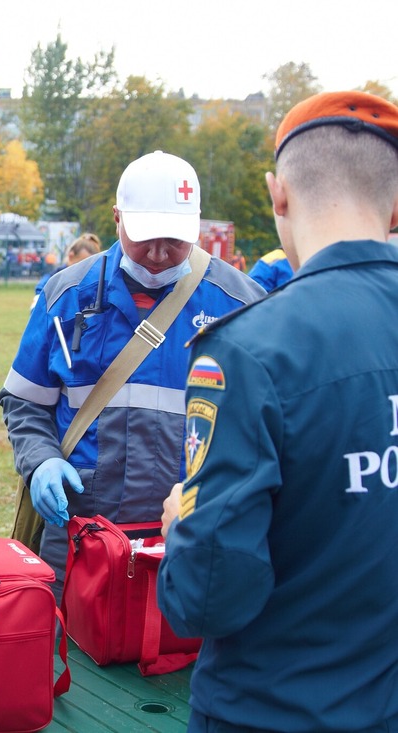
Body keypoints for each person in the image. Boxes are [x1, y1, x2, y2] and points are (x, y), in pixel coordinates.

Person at [157, 92, 398, 732]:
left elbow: (210, 597)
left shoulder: (249, 349)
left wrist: (185, 520)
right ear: (396, 205)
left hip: (276, 709)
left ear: (278, 194)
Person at [0, 150, 265, 594]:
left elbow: (265, 432)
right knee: (69, 659)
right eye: (145, 238)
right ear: (117, 218)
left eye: (175, 239)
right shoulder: (65, 296)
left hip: (189, 545)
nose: (159, 254)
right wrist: (41, 460)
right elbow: (24, 401)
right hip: (78, 540)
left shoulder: (242, 307)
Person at [34, 232, 102, 302]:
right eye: (83, 264)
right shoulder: (55, 277)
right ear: (71, 255)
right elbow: (40, 290)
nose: (86, 270)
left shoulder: (97, 282)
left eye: (91, 266)